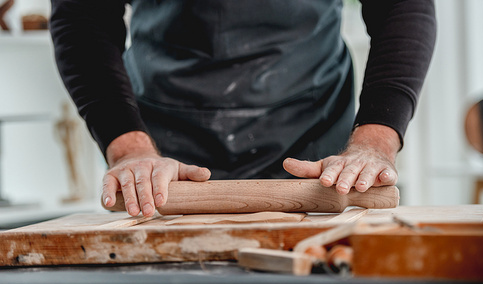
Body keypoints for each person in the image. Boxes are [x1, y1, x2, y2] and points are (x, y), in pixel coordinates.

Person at [49, 0, 436, 217]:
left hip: (315, 142)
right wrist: (128, 149)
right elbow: (83, 17)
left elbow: (402, 7)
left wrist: (375, 140)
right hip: (163, 153)